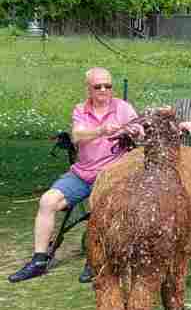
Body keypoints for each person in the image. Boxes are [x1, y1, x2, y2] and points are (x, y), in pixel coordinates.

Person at [9, 68, 137, 283]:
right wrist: (102, 130)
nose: (104, 90)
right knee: (47, 201)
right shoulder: (81, 109)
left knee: (102, 206)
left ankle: (96, 258)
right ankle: (39, 260)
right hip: (82, 173)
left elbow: (138, 127)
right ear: (89, 89)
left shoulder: (122, 107)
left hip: (112, 174)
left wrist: (134, 131)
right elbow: (77, 135)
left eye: (108, 85)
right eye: (98, 86)